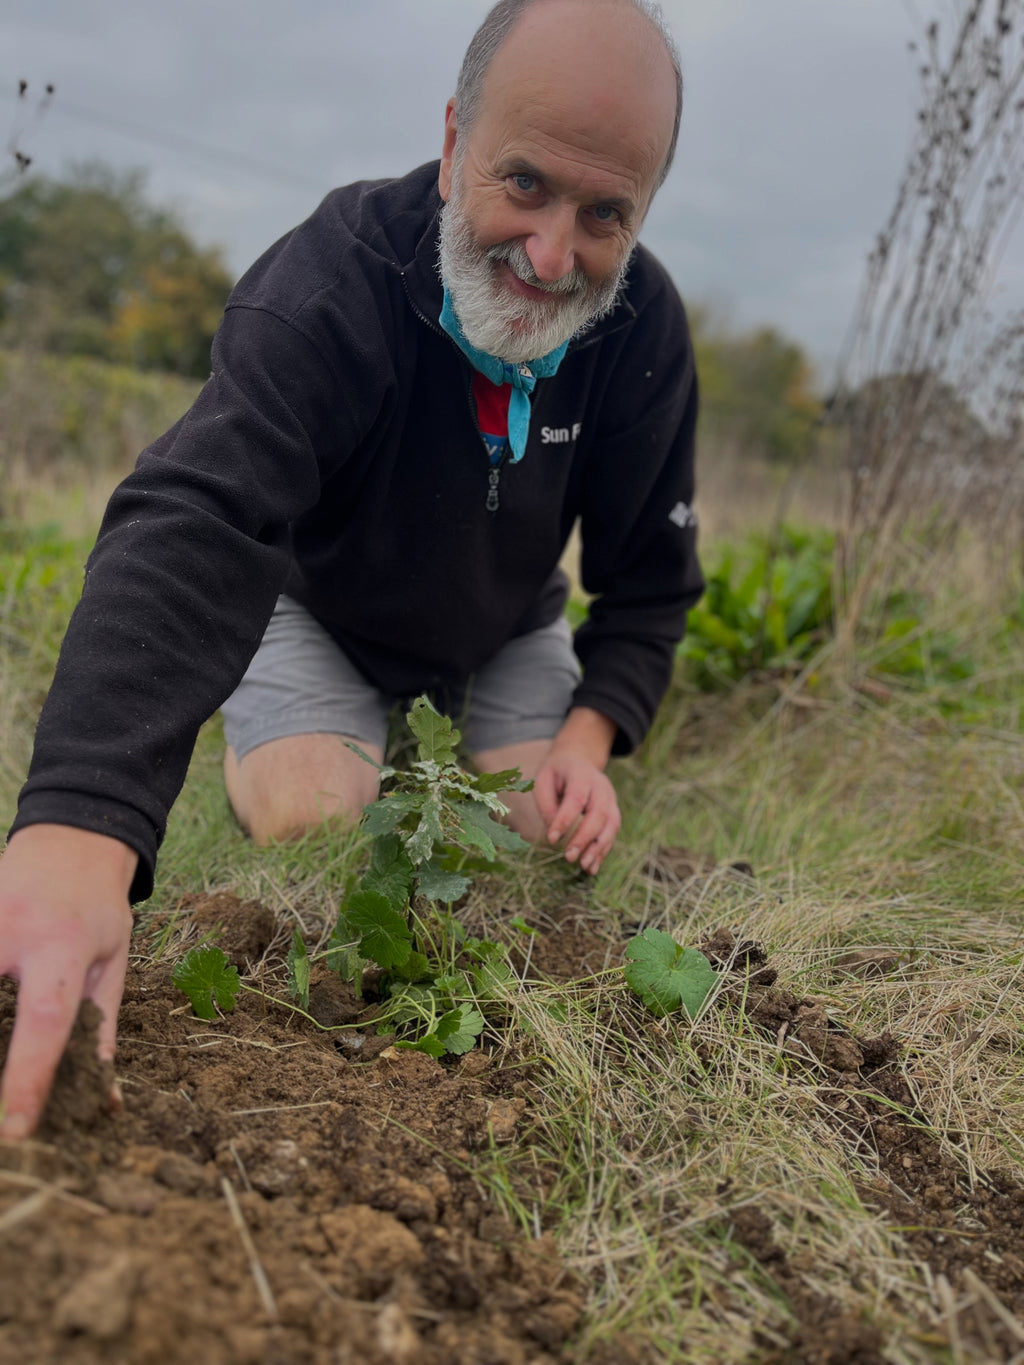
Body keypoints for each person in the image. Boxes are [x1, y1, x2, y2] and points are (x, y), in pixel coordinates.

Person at [0, 0, 702, 1140]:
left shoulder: (643, 335)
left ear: (642, 211)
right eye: (523, 183)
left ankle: (476, 740)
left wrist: (585, 745)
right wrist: (83, 822)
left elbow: (651, 587)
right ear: (453, 143)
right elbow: (200, 516)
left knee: (537, 842)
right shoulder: (331, 283)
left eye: (605, 213)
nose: (551, 255)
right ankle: (293, 723)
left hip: (503, 630)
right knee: (326, 820)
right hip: (313, 609)